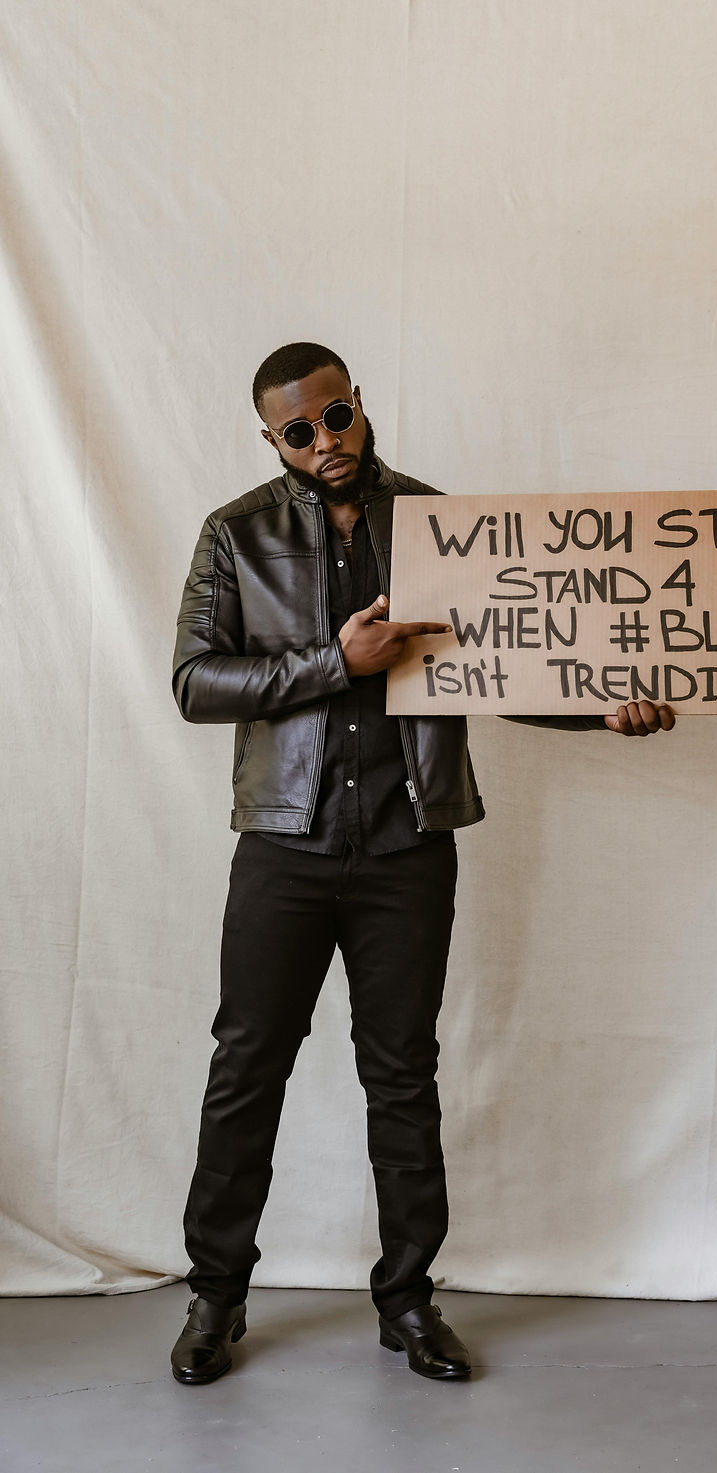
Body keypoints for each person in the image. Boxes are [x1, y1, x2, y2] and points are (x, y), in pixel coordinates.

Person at [169, 342, 676, 1387]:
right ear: (272, 441)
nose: (325, 443)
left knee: (401, 1077)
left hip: (409, 845)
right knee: (244, 1071)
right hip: (284, 844)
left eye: (336, 417)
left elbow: (508, 667)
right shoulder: (236, 534)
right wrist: (332, 663)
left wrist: (603, 712)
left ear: (359, 406)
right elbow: (193, 680)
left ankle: (407, 1303)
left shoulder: (446, 527)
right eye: (298, 432)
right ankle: (215, 1298)